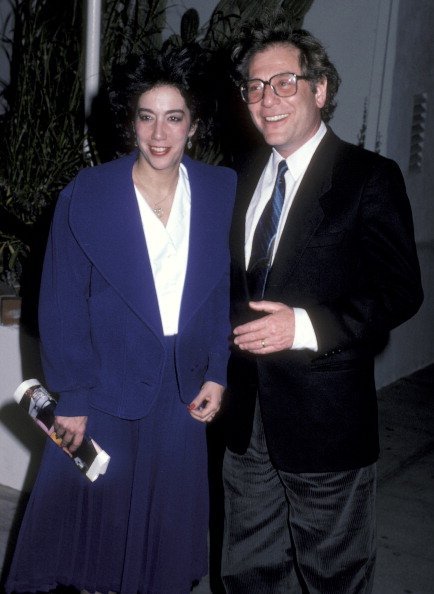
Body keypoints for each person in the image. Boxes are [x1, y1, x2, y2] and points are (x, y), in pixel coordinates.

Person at [6, 45, 236, 594]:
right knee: (95, 539)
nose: (160, 135)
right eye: (146, 116)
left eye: (174, 118)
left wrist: (217, 368)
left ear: (194, 125)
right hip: (105, 388)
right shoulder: (88, 193)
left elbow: (220, 286)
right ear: (130, 122)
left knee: (163, 541)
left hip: (182, 390)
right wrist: (75, 401)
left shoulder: (217, 189)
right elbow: (61, 301)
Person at [221, 14, 423, 594]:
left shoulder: (369, 178)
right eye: (255, 87)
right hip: (246, 419)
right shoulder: (240, 176)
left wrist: (304, 326)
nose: (267, 99)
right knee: (246, 569)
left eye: (284, 82)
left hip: (326, 419)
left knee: (334, 571)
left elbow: (400, 291)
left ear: (320, 89)